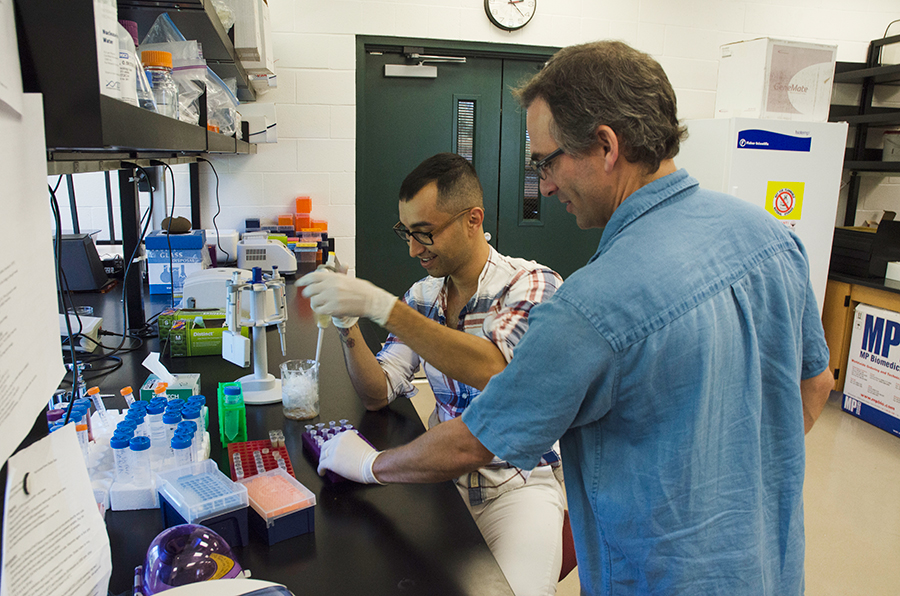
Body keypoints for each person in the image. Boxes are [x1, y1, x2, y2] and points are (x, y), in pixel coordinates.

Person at [307, 41, 835, 595]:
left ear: (606, 146)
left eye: (547, 161)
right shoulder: (773, 240)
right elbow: (815, 383)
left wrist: (369, 466)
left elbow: (475, 442)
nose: (545, 183)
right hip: (769, 572)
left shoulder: (588, 303)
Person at [298, 152, 567, 596]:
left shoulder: (532, 285)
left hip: (516, 486)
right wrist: (348, 326)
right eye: (406, 232)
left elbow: (495, 370)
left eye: (424, 233)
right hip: (441, 481)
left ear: (472, 220)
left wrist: (381, 307)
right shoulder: (424, 295)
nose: (412, 249)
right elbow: (378, 392)